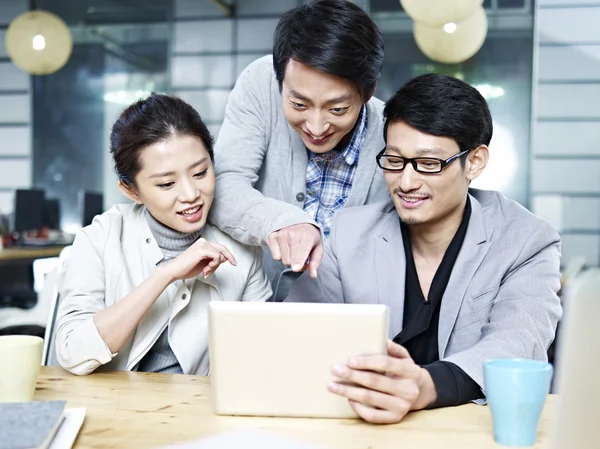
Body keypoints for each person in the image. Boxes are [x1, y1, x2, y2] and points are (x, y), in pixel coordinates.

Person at [285, 74, 562, 423]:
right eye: (395, 160)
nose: (406, 182)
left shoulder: (526, 239)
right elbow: (295, 332)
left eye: (429, 164)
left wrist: (425, 385)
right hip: (359, 428)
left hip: (469, 434)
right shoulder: (348, 232)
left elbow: (519, 344)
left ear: (474, 162)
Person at [55, 94, 271, 376]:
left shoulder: (241, 250)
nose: (192, 194)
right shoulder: (100, 239)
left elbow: (263, 357)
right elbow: (73, 354)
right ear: (132, 191)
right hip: (110, 412)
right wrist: (165, 275)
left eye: (200, 172)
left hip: (197, 412)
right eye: (167, 184)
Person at [210, 0, 389, 300]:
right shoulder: (260, 84)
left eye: (338, 108)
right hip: (257, 305)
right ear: (280, 82)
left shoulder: (390, 134)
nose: (316, 127)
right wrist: (284, 221)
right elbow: (222, 185)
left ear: (368, 91)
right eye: (299, 105)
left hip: (350, 316)